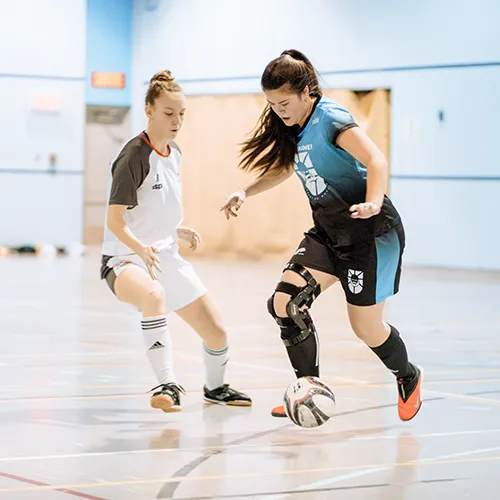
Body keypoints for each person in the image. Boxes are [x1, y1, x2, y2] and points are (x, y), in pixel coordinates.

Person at [221, 50, 421, 421]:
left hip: (370, 233)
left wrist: (374, 202)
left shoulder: (330, 117)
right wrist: (245, 191)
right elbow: (284, 169)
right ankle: (307, 389)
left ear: (307, 91)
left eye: (283, 102)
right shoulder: (292, 124)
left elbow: (376, 159)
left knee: (366, 327)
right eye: (271, 104)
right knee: (285, 303)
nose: (278, 110)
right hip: (329, 232)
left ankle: (408, 375)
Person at [100, 70, 251, 412]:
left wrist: (174, 232)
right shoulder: (133, 156)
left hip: (163, 253)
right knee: (153, 296)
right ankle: (166, 384)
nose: (177, 121)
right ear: (149, 110)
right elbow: (114, 220)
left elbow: (156, 207)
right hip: (124, 259)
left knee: (217, 332)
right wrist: (141, 248)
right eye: (169, 113)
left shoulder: (175, 151)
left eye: (181, 114)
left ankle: (216, 388)